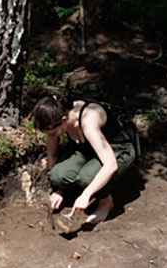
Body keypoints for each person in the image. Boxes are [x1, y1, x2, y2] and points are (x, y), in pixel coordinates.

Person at [32, 95, 138, 225]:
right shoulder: (57, 118)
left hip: (117, 148)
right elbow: (52, 155)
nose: (52, 137)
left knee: (87, 177)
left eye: (53, 133)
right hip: (87, 149)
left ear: (64, 120)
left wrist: (86, 195)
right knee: (58, 175)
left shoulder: (88, 122)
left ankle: (106, 202)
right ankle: (74, 189)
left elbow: (110, 165)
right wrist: (58, 189)